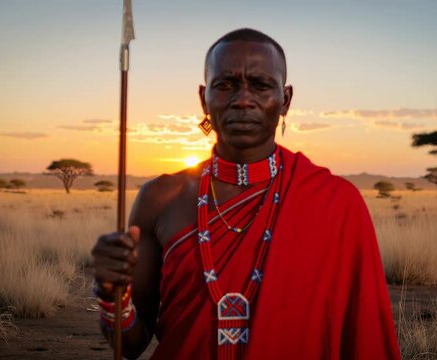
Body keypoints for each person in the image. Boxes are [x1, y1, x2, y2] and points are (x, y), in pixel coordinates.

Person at [91, 28, 401, 360]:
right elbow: (131, 344)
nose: (242, 100)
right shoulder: (159, 198)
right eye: (225, 85)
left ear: (286, 99)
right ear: (203, 98)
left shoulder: (338, 202)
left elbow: (364, 336)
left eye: (260, 85)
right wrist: (113, 296)